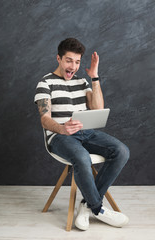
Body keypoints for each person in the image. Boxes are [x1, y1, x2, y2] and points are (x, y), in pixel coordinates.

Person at [34, 38, 130, 231]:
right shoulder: (45, 83)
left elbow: (98, 107)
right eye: (69, 61)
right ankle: (98, 209)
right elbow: (45, 119)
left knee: (121, 151)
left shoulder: (82, 81)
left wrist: (94, 77)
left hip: (86, 132)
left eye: (77, 62)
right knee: (81, 157)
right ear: (59, 59)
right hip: (59, 137)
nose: (73, 66)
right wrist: (62, 128)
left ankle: (86, 205)